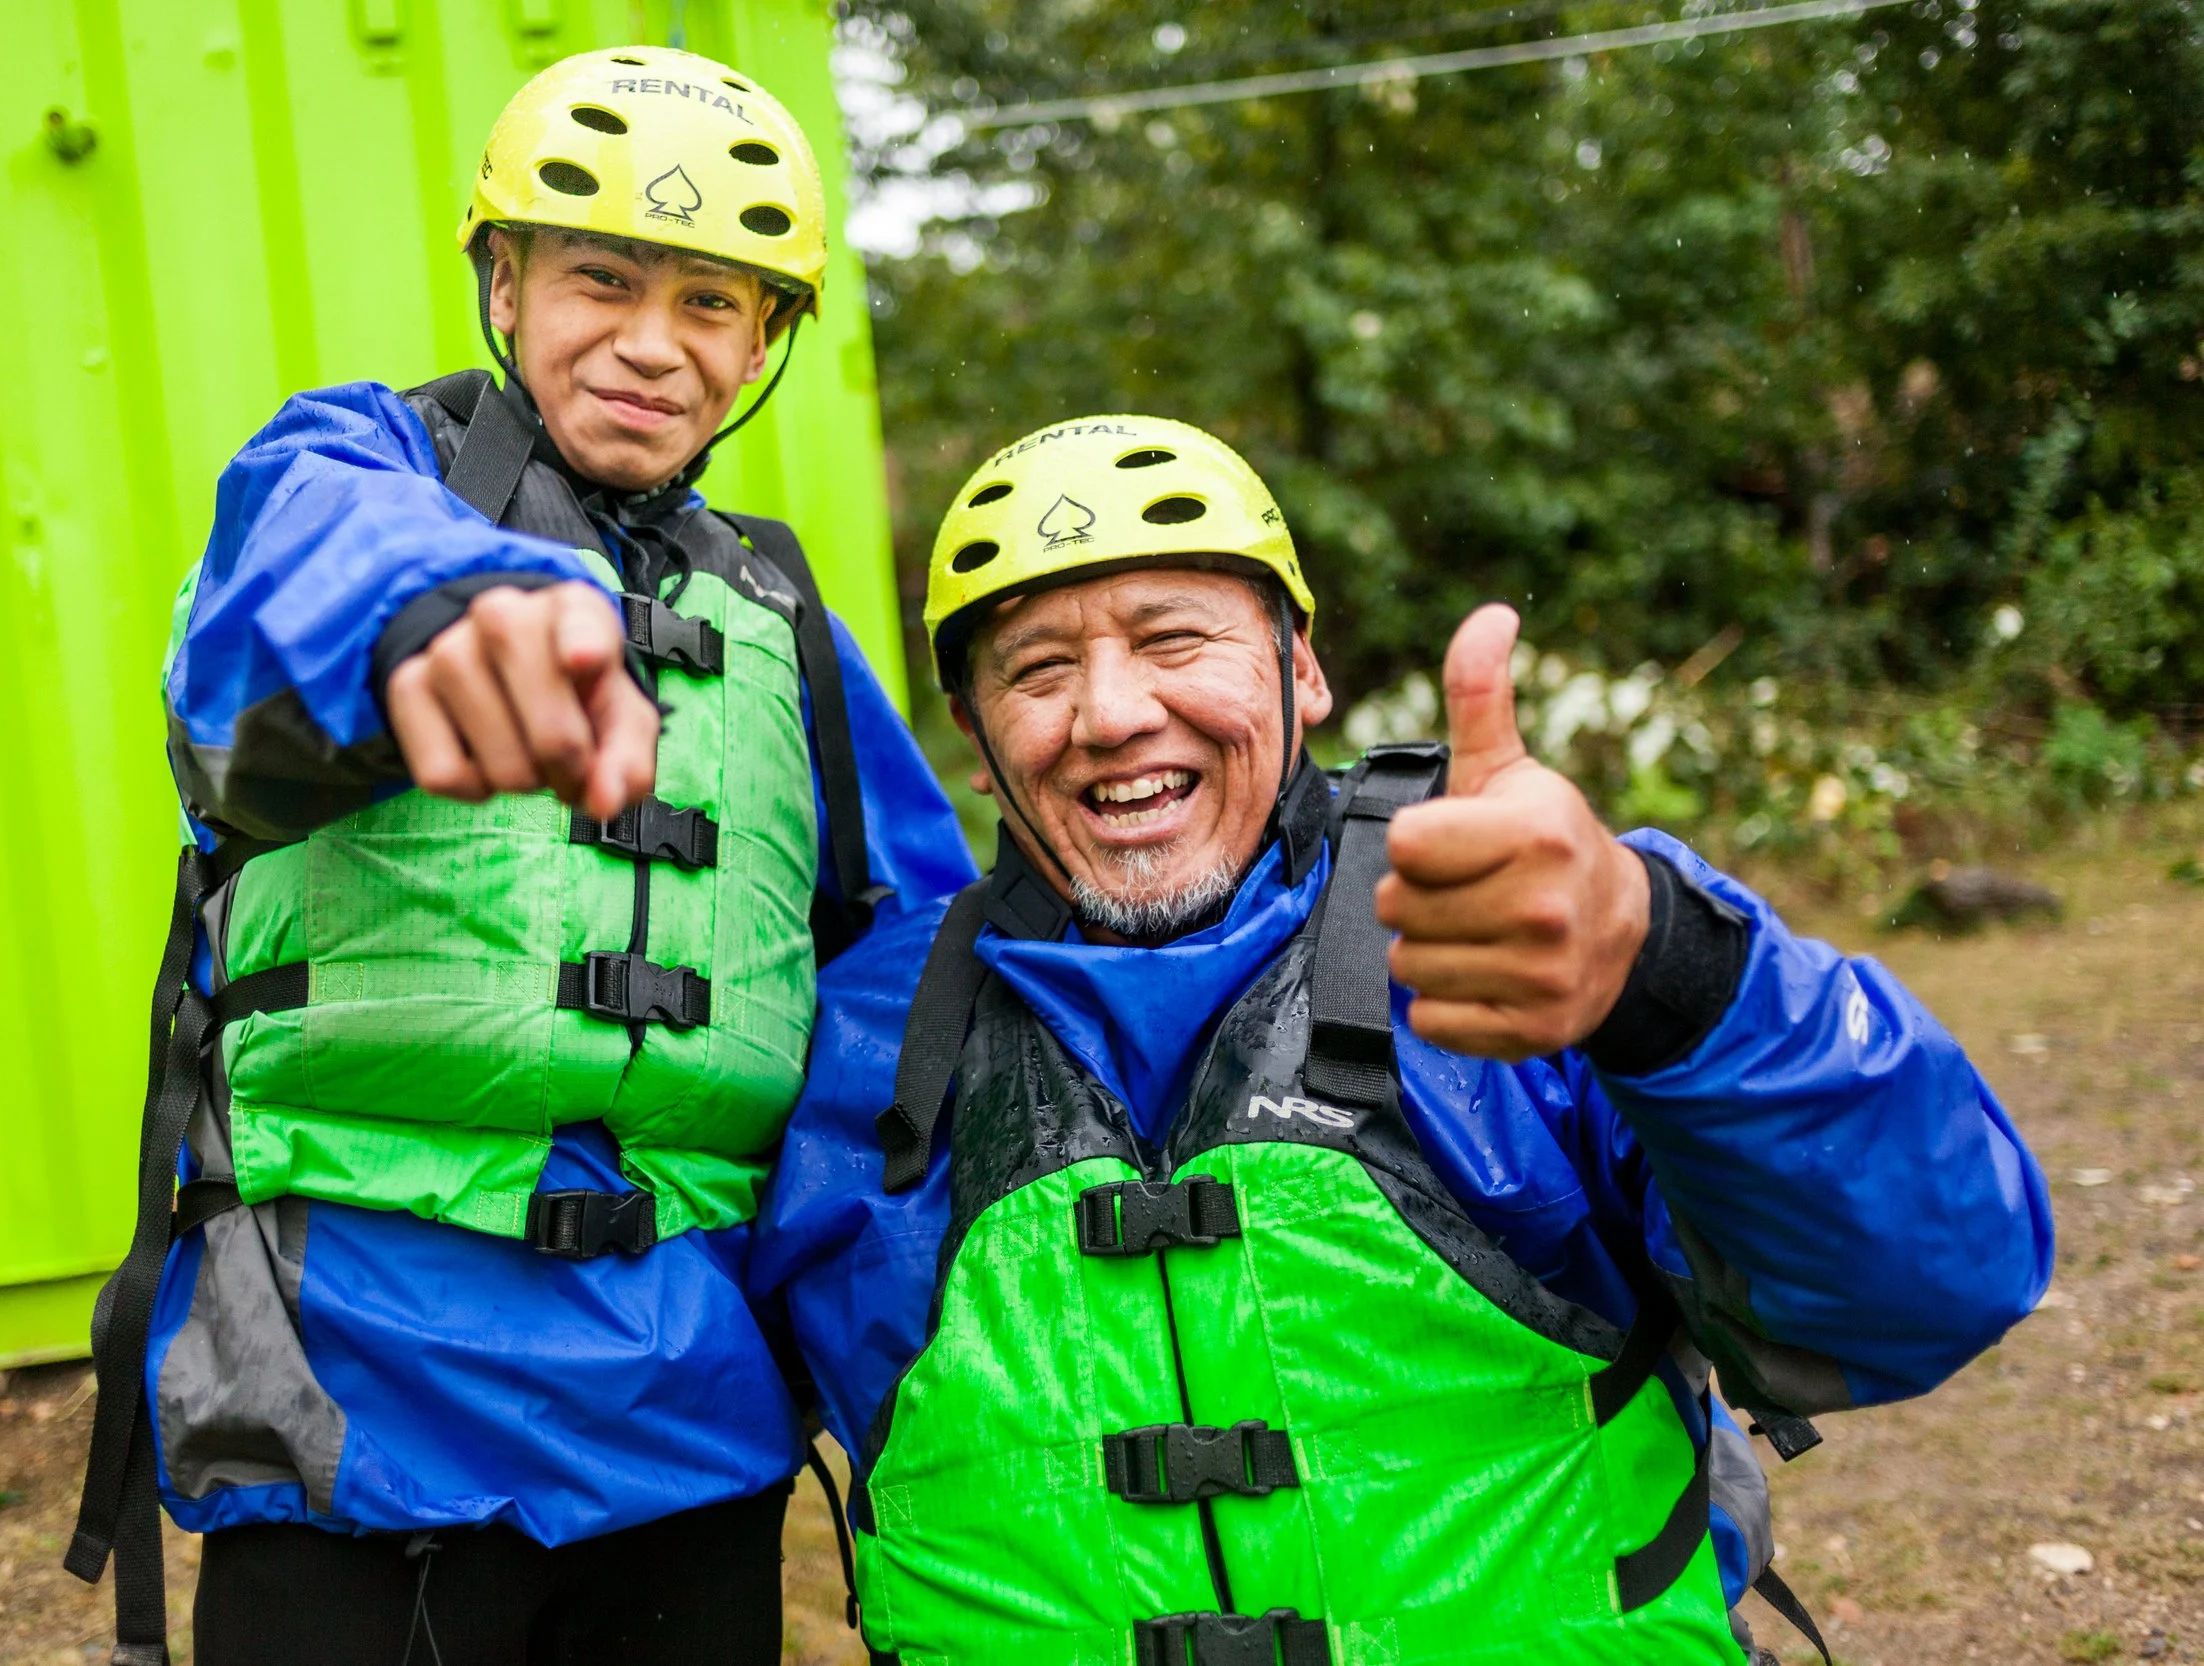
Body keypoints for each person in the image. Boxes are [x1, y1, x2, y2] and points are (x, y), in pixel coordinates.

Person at [752, 415, 2053, 1665]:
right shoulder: (868, 1031)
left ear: (1302, 670)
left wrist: (1670, 968)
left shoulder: (1527, 927)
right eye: (1037, 669)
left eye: (1174, 636)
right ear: (978, 741)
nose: (1110, 712)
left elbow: (1927, 1287)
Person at [62, 46, 972, 1666]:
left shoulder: (789, 635)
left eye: (711, 302)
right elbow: (290, 597)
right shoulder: (352, 475)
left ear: (762, 340)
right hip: (359, 1407)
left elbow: (919, 991)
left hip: (687, 1432)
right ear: (505, 282)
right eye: (602, 278)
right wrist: (445, 613)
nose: (652, 342)